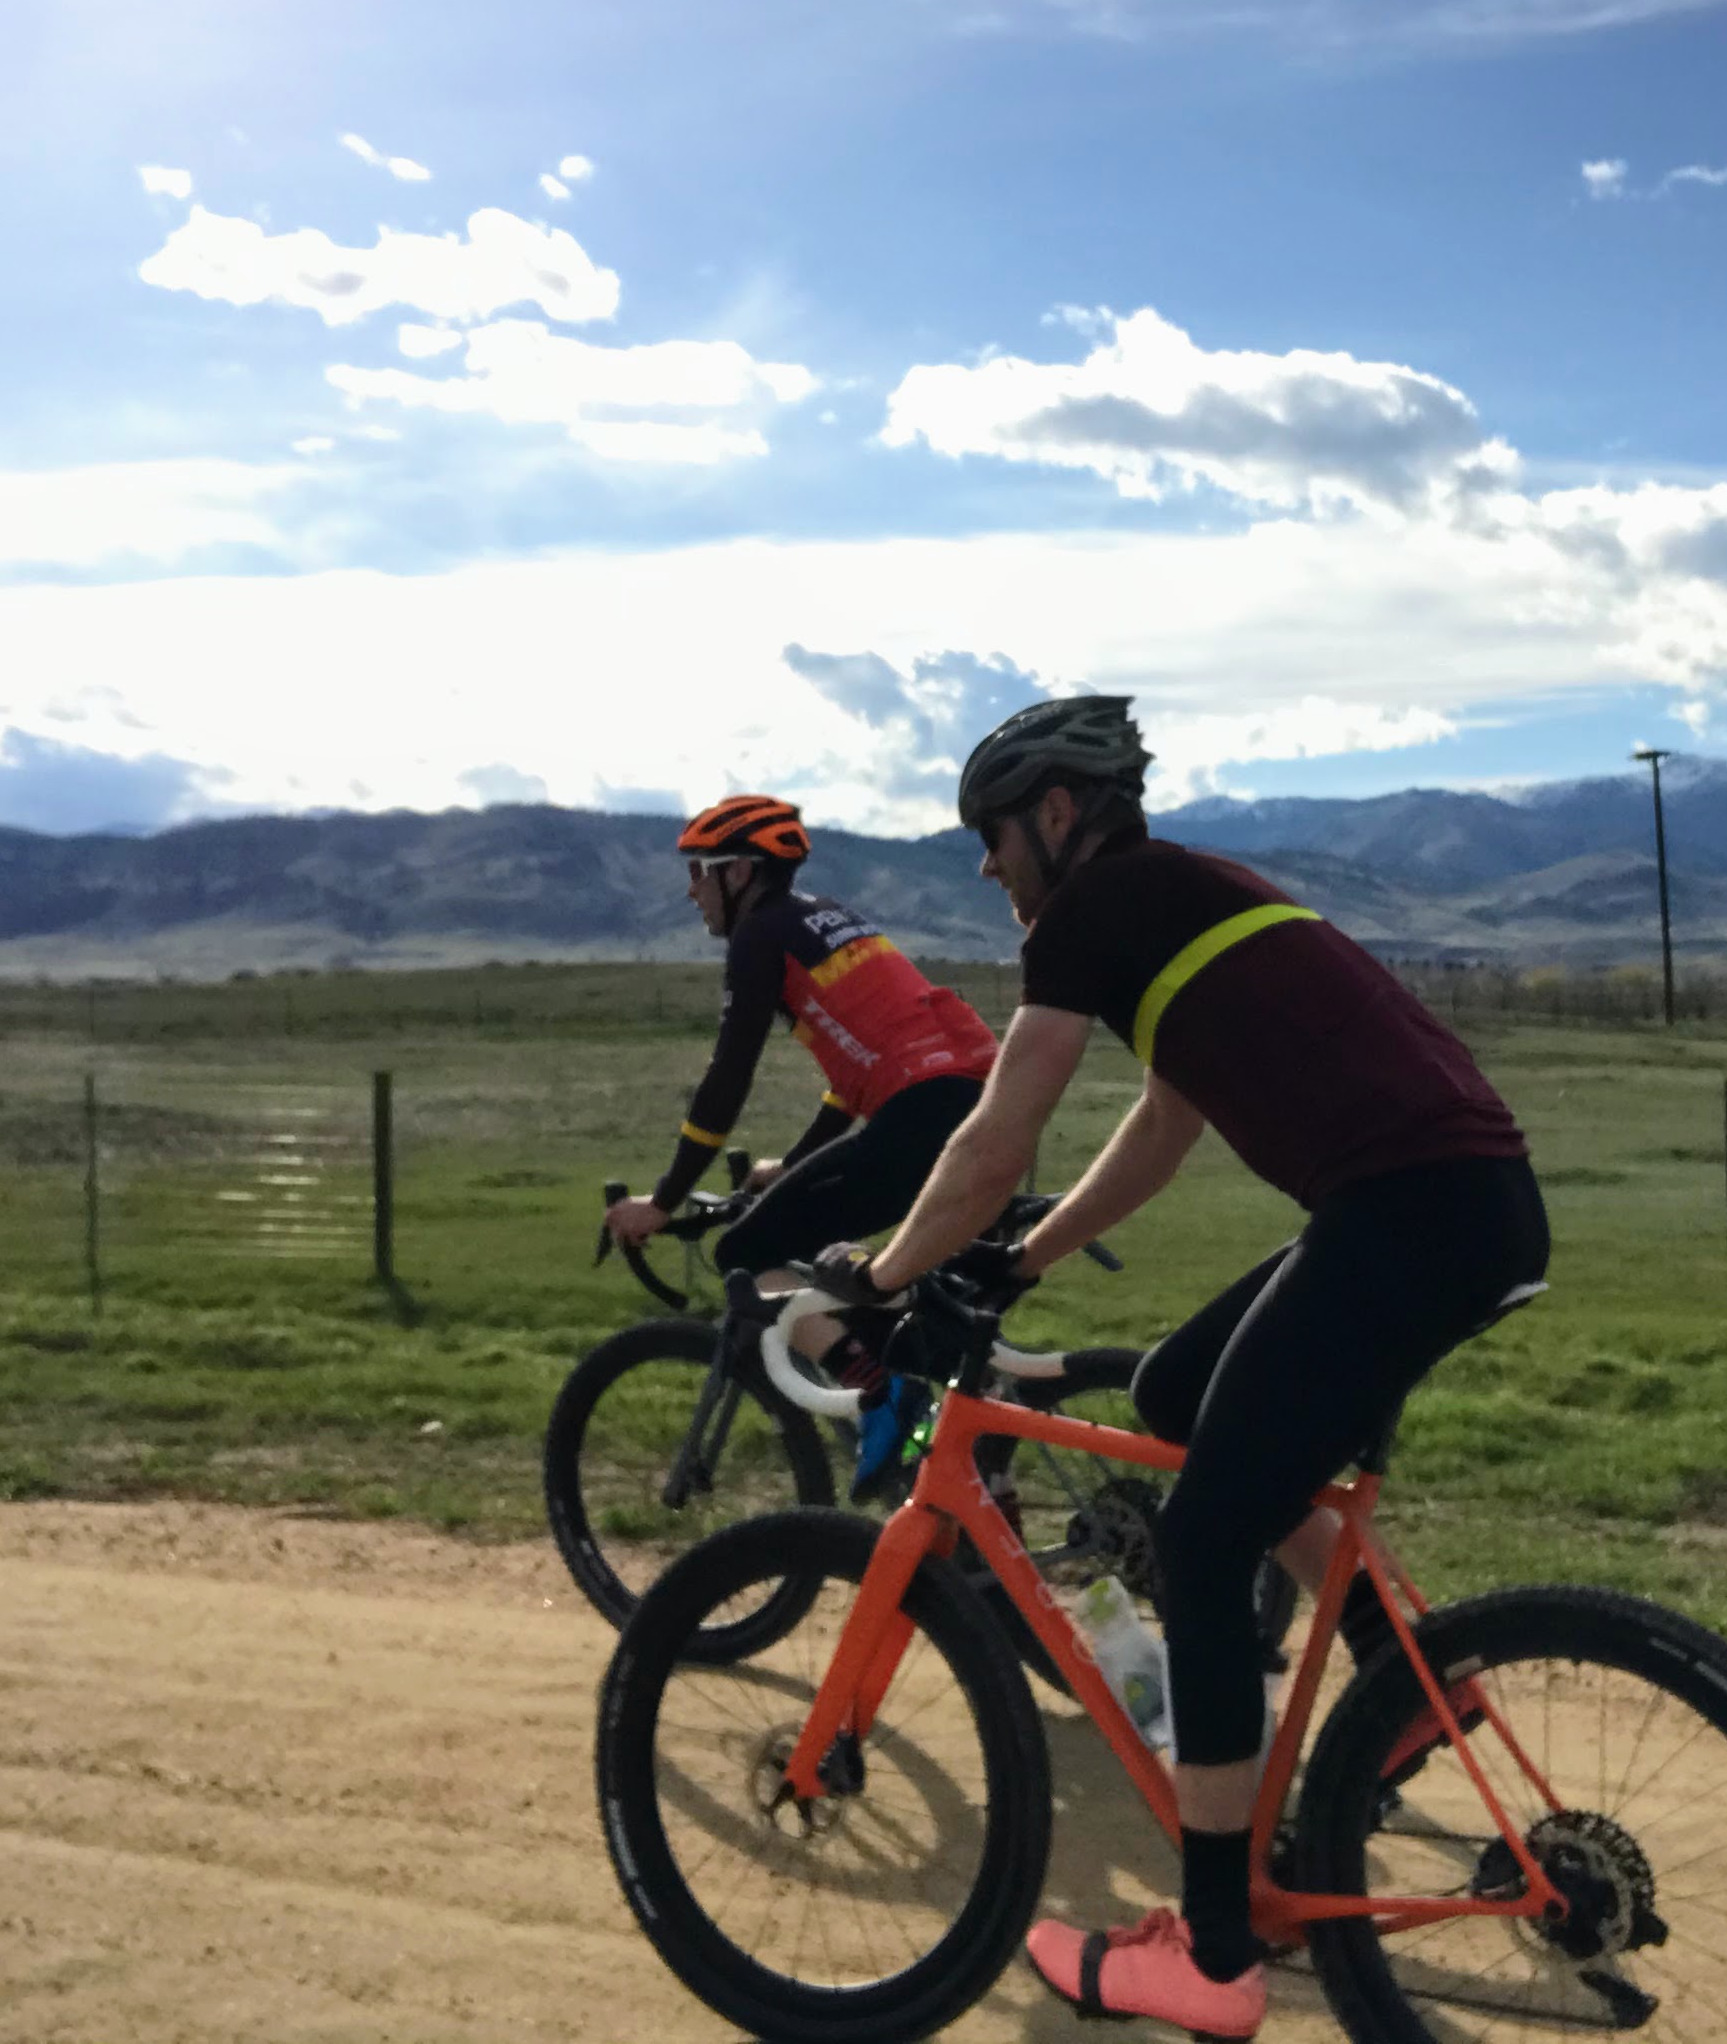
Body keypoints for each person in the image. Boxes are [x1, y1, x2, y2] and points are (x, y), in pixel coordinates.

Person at [816, 697, 1548, 2041]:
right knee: (1172, 1395)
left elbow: (994, 1134)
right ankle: (1410, 1694)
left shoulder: (1092, 914)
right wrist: (1022, 1257)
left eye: (992, 835)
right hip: (1447, 1204)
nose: (984, 865)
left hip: (1408, 1214)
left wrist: (881, 1275)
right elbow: (1164, 1124)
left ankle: (1215, 1954)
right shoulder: (1188, 894)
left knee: (1204, 1544)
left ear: (1055, 815)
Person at [603, 792, 999, 1489]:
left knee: (746, 1253)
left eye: (700, 871)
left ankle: (878, 1394)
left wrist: (662, 1201)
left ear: (740, 873)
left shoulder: (761, 936)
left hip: (925, 1113)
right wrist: (793, 1164)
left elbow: (728, 1077)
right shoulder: (824, 918)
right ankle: (977, 1474)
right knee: (904, 1305)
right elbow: (853, 1078)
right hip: (978, 1105)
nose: (691, 890)